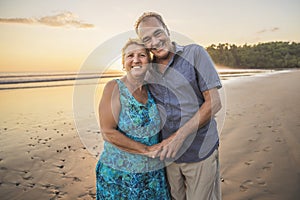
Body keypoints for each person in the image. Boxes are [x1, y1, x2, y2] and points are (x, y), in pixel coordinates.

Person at [135, 12, 223, 200]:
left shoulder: (195, 53)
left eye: (158, 33)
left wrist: (179, 137)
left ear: (167, 30)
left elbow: (214, 102)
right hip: (169, 158)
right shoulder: (148, 71)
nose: (155, 41)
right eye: (147, 39)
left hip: (200, 151)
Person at [96, 38, 171, 200]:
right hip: (120, 176)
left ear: (149, 62)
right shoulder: (114, 88)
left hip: (152, 174)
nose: (136, 60)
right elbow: (107, 132)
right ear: (123, 63)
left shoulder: (153, 90)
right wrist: (146, 150)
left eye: (142, 55)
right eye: (130, 56)